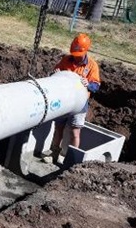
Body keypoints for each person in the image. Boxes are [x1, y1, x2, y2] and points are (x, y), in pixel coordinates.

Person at [43, 33, 100, 163]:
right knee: (58, 129)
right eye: (74, 54)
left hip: (79, 104)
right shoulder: (66, 60)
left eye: (78, 55)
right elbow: (54, 74)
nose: (76, 58)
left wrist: (88, 84)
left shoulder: (91, 66)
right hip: (63, 102)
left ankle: (71, 160)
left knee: (75, 132)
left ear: (85, 51)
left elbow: (96, 86)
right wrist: (55, 74)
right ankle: (54, 153)